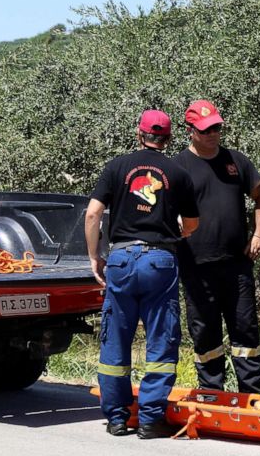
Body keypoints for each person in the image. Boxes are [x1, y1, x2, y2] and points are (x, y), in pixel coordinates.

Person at [85, 110, 199, 439]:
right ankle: (150, 419)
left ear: (140, 134)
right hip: (160, 261)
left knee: (116, 337)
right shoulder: (178, 172)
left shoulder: (117, 166)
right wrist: (176, 232)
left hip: (120, 259)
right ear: (168, 137)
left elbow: (93, 214)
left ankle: (117, 417)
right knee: (161, 339)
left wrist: (95, 256)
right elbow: (192, 224)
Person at [174, 100, 260, 394]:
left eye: (216, 127)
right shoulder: (178, 167)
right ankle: (211, 393)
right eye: (205, 130)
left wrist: (258, 236)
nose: (212, 134)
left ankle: (252, 396)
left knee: (245, 330)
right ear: (190, 130)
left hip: (236, 265)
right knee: (205, 333)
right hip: (196, 266)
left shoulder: (237, 161)